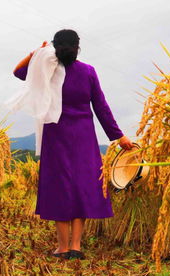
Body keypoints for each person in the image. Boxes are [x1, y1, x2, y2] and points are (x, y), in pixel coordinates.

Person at [12, 29, 134, 260]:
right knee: (82, 186)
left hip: (56, 135)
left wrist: (35, 53)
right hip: (84, 137)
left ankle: (63, 247)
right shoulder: (88, 72)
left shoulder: (46, 70)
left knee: (61, 188)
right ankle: (76, 246)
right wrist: (118, 136)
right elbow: (101, 106)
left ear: (54, 48)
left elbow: (18, 72)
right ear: (78, 47)